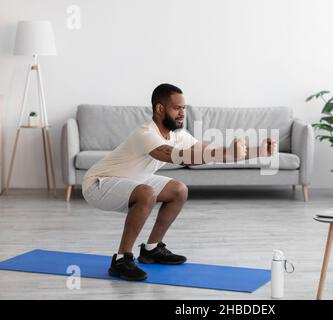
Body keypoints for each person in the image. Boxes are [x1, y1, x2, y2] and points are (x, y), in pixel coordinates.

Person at [82, 83, 277, 281]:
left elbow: (207, 153)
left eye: (184, 108)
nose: (182, 113)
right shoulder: (145, 133)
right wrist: (223, 152)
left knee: (178, 190)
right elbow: (173, 156)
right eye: (177, 108)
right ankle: (121, 260)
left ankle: (151, 249)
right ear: (159, 109)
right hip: (98, 183)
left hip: (133, 180)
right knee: (147, 192)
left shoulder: (178, 135)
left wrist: (258, 151)